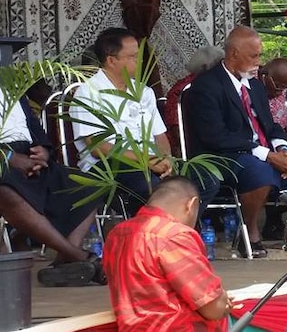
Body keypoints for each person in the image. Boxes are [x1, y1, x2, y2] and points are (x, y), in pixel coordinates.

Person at [185, 26, 287, 258]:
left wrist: (282, 149)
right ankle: (250, 232)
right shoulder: (207, 86)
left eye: (259, 55)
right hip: (227, 156)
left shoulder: (256, 86)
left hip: (267, 153)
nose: (259, 63)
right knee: (259, 169)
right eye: (254, 56)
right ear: (233, 54)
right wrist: (268, 156)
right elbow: (215, 136)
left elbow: (270, 127)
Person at [72, 28, 219, 215]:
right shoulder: (88, 92)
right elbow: (98, 147)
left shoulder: (143, 92)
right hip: (110, 166)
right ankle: (158, 234)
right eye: (133, 56)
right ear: (111, 60)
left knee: (206, 180)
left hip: (152, 162)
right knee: (151, 186)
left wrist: (165, 159)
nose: (140, 61)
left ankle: (176, 231)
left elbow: (160, 137)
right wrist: (147, 160)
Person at [0, 93, 105, 287]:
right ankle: (79, 256)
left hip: (30, 155)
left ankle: (64, 263)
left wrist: (45, 151)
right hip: (3, 161)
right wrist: (8, 158)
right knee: (4, 189)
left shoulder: (11, 84)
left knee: (91, 185)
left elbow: (31, 122)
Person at [103, 176, 232, 331]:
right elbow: (213, 308)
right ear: (191, 205)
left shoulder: (116, 234)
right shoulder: (174, 234)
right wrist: (223, 300)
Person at [164, 46, 224, 155]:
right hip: (194, 146)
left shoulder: (221, 85)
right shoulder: (183, 88)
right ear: (206, 67)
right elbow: (176, 127)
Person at [259, 58, 287, 132]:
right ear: (267, 77)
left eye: (284, 87)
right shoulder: (253, 90)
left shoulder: (286, 94)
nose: (280, 91)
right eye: (278, 86)